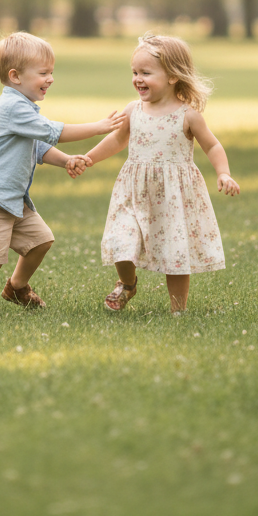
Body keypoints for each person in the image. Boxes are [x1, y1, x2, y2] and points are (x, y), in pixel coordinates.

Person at [0, 31, 126, 314]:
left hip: (10, 198)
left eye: (51, 72)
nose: (50, 78)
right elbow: (52, 132)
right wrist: (98, 127)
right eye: (43, 73)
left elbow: (37, 146)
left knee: (41, 240)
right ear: (15, 76)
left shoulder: (25, 108)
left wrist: (66, 161)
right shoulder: (13, 107)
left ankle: (16, 287)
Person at [82, 33, 240, 314]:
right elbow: (118, 141)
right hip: (133, 192)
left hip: (173, 197)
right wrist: (89, 158)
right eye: (134, 72)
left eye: (146, 72)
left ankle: (177, 310)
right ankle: (127, 284)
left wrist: (223, 173)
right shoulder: (134, 110)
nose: (137, 79)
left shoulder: (188, 115)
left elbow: (212, 145)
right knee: (122, 238)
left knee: (175, 252)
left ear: (172, 76)